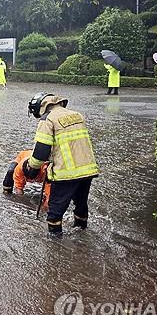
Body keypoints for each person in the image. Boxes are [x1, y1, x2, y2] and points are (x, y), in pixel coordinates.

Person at [26, 93, 99, 235]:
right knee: (81, 205)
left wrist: (32, 168)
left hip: (67, 173)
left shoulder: (48, 119)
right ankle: (82, 235)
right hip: (88, 170)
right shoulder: (77, 115)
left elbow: (41, 152)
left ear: (41, 107)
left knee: (55, 212)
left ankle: (55, 246)